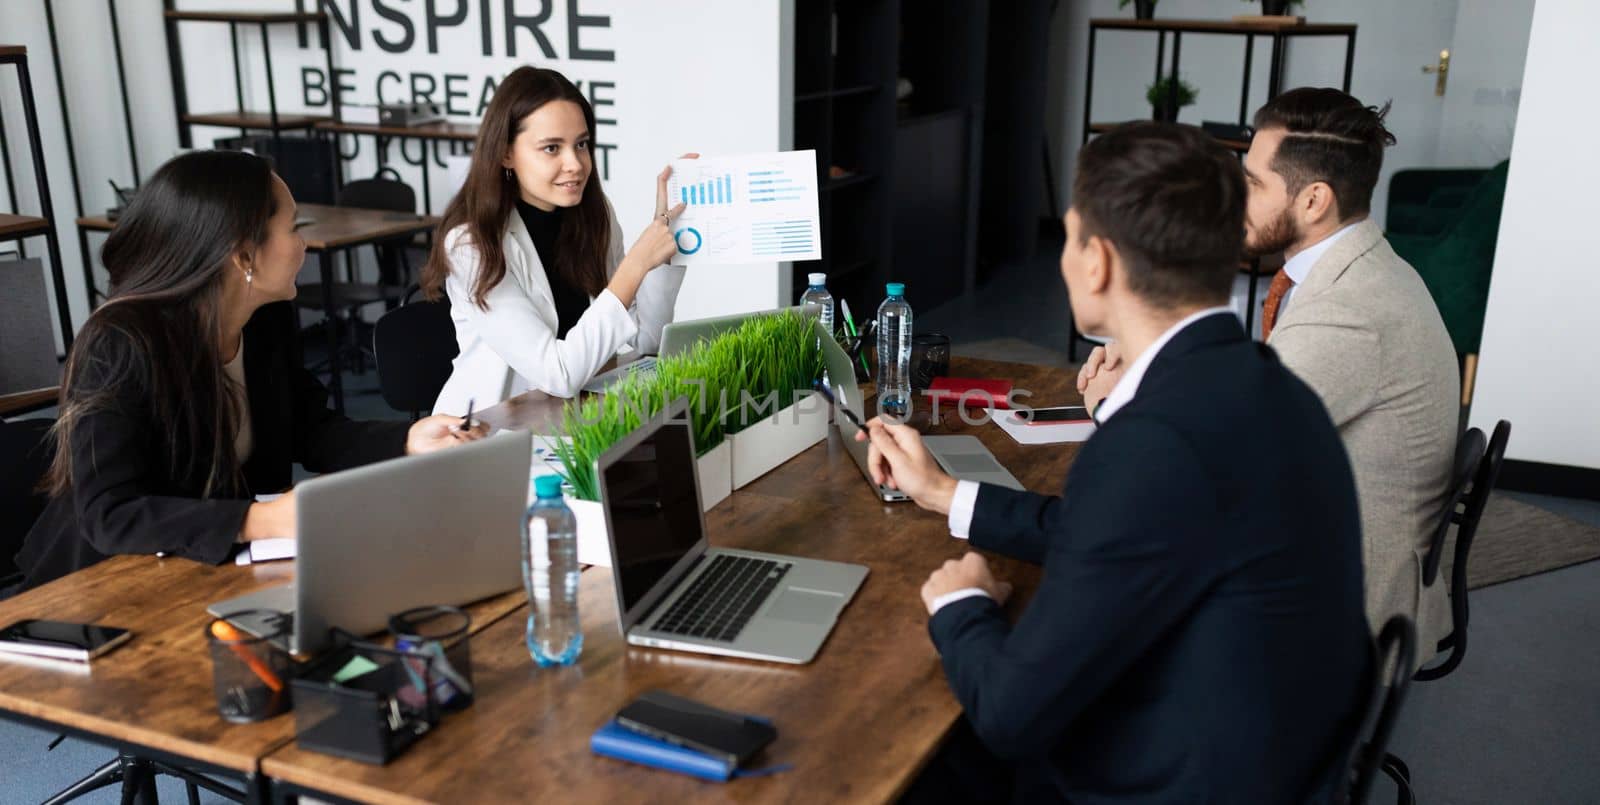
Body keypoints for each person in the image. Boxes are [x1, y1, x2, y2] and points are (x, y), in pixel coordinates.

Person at [868, 122, 1370, 803]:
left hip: (1165, 779)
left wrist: (959, 602)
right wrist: (947, 493)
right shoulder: (1269, 385)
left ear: (1097, 261)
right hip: (1269, 756)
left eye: (1071, 236)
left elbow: (1013, 713)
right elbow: (1110, 528)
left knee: (916, 755)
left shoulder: (1155, 441)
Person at [1079, 88, 1459, 664]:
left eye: (1253, 183)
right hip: (1332, 540)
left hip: (1352, 606)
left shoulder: (1349, 309)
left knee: (1121, 566)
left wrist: (1113, 407)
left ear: (1313, 200)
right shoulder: (1362, 270)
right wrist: (1148, 358)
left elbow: (1214, 455)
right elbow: (1255, 389)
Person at [13, 151, 483, 592]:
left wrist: (407, 438)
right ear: (243, 256)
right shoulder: (120, 343)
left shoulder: (263, 318)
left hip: (202, 567)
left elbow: (311, 429)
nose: (303, 244)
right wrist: (261, 519)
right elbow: (110, 514)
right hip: (97, 586)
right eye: (293, 227)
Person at [423, 66, 692, 412]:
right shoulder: (471, 244)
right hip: (494, 431)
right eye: (552, 148)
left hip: (574, 416)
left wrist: (662, 245)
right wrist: (635, 265)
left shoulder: (594, 215)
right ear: (506, 153)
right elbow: (558, 373)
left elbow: (646, 343)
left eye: (581, 144)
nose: (576, 164)